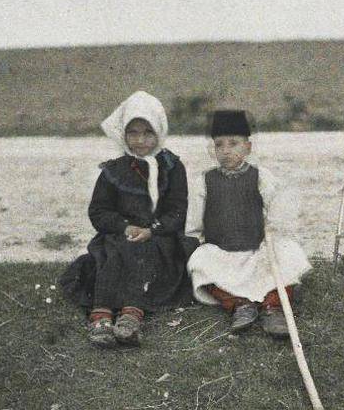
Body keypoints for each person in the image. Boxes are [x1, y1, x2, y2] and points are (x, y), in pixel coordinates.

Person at [72, 90, 190, 348]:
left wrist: (153, 230)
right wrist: (124, 227)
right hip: (121, 233)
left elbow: (177, 211)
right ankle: (101, 316)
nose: (140, 140)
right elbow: (99, 211)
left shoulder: (172, 167)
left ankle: (131, 315)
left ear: (159, 131)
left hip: (158, 237)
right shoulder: (114, 171)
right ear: (123, 134)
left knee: (144, 253)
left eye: (148, 133)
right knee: (112, 253)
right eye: (133, 132)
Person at [183, 110, 312, 338]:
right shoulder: (204, 181)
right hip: (222, 252)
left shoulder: (261, 176)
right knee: (199, 262)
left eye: (233, 144)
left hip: (256, 251)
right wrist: (196, 244)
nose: (226, 151)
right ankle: (240, 305)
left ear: (248, 148)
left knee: (289, 254)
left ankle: (274, 308)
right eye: (219, 145)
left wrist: (273, 226)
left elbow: (280, 204)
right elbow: (194, 224)